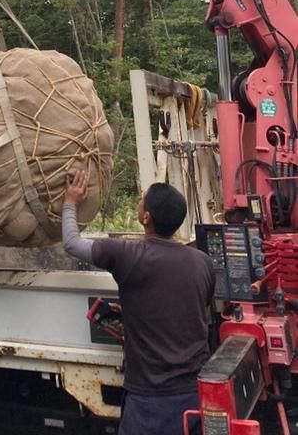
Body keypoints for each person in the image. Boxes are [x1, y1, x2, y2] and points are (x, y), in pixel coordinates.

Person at [62, 170, 215, 435]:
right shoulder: (203, 262)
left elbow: (72, 244)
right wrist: (138, 308)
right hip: (193, 393)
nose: (138, 202)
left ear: (146, 217)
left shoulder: (128, 254)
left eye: (141, 200)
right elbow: (190, 305)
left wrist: (70, 202)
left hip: (150, 400)